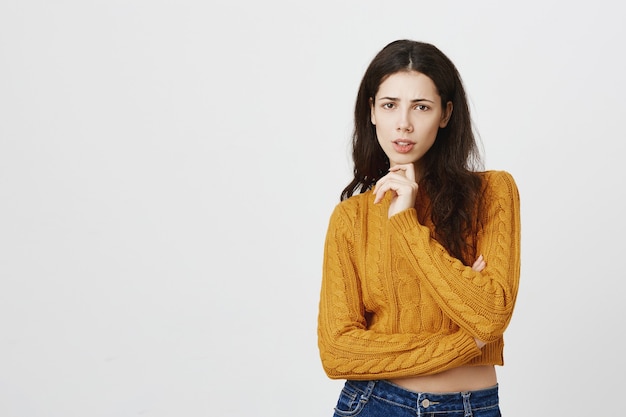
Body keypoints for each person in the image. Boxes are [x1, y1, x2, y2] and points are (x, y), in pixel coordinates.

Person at [317, 39, 521, 417]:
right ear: (373, 112)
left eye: (421, 107)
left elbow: (491, 316)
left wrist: (407, 226)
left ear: (445, 114)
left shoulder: (493, 193)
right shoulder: (350, 218)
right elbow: (338, 352)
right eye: (390, 105)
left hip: (472, 407)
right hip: (375, 404)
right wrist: (464, 343)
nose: (404, 123)